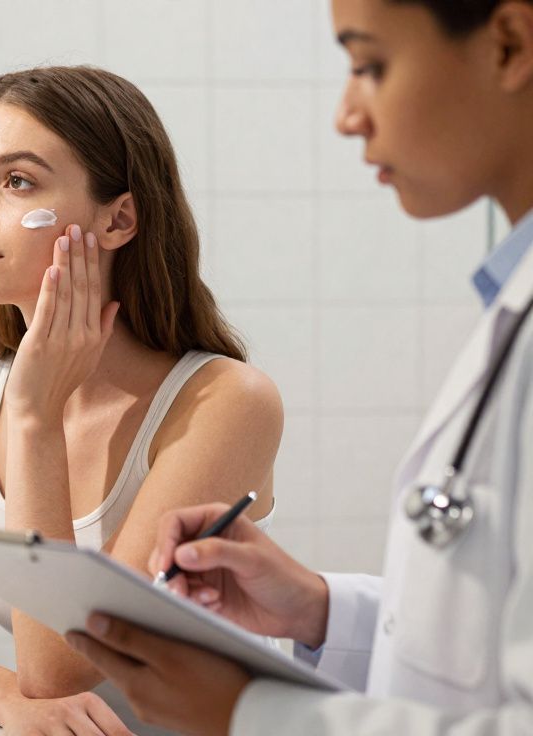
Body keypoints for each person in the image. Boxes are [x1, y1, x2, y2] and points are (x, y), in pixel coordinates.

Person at [64, 1, 533, 734]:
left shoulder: (223, 395)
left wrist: (255, 715)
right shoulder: (513, 303)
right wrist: (319, 608)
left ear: (508, 45)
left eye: (370, 65)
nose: (348, 116)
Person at [0, 65, 282, 735]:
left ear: (119, 219)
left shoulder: (226, 403)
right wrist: (3, 700)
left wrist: (35, 417)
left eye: (17, 181)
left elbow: (59, 668)